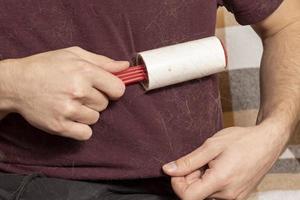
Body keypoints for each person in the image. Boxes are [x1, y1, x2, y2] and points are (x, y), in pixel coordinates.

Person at [0, 0, 299, 199]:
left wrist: (273, 132)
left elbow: (289, 24)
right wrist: (12, 84)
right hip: (23, 182)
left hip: (188, 184)